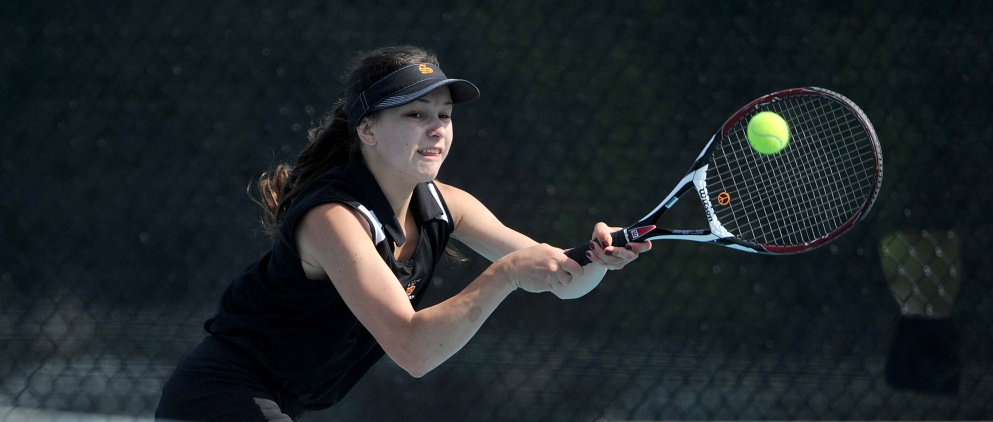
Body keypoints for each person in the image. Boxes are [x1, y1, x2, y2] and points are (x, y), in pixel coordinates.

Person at [155, 45, 650, 421]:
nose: (436, 128)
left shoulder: (446, 206)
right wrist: (505, 275)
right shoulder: (333, 220)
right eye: (415, 114)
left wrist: (596, 260)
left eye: (444, 115)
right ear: (366, 130)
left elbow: (560, 278)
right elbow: (413, 350)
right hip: (217, 397)